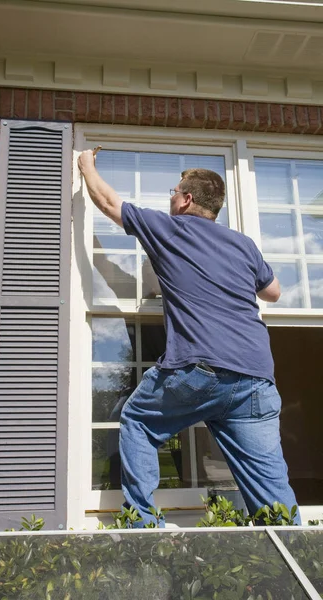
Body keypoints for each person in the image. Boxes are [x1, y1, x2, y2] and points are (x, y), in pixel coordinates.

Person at [78, 149, 301, 527]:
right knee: (271, 490)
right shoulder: (243, 244)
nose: (169, 197)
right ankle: (296, 562)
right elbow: (274, 292)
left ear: (186, 199)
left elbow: (109, 203)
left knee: (138, 421)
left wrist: (85, 165)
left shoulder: (170, 229)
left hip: (200, 368)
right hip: (256, 377)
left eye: (172, 191)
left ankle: (144, 529)